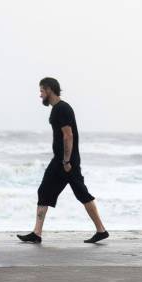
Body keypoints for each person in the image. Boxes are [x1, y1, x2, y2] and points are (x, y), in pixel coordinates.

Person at [17, 77, 108, 244]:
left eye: (42, 91)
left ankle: (101, 230)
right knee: (46, 191)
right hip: (62, 160)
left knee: (81, 194)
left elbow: (68, 135)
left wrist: (66, 161)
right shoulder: (58, 109)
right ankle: (37, 233)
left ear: (49, 90)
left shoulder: (61, 109)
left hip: (66, 162)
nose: (40, 95)